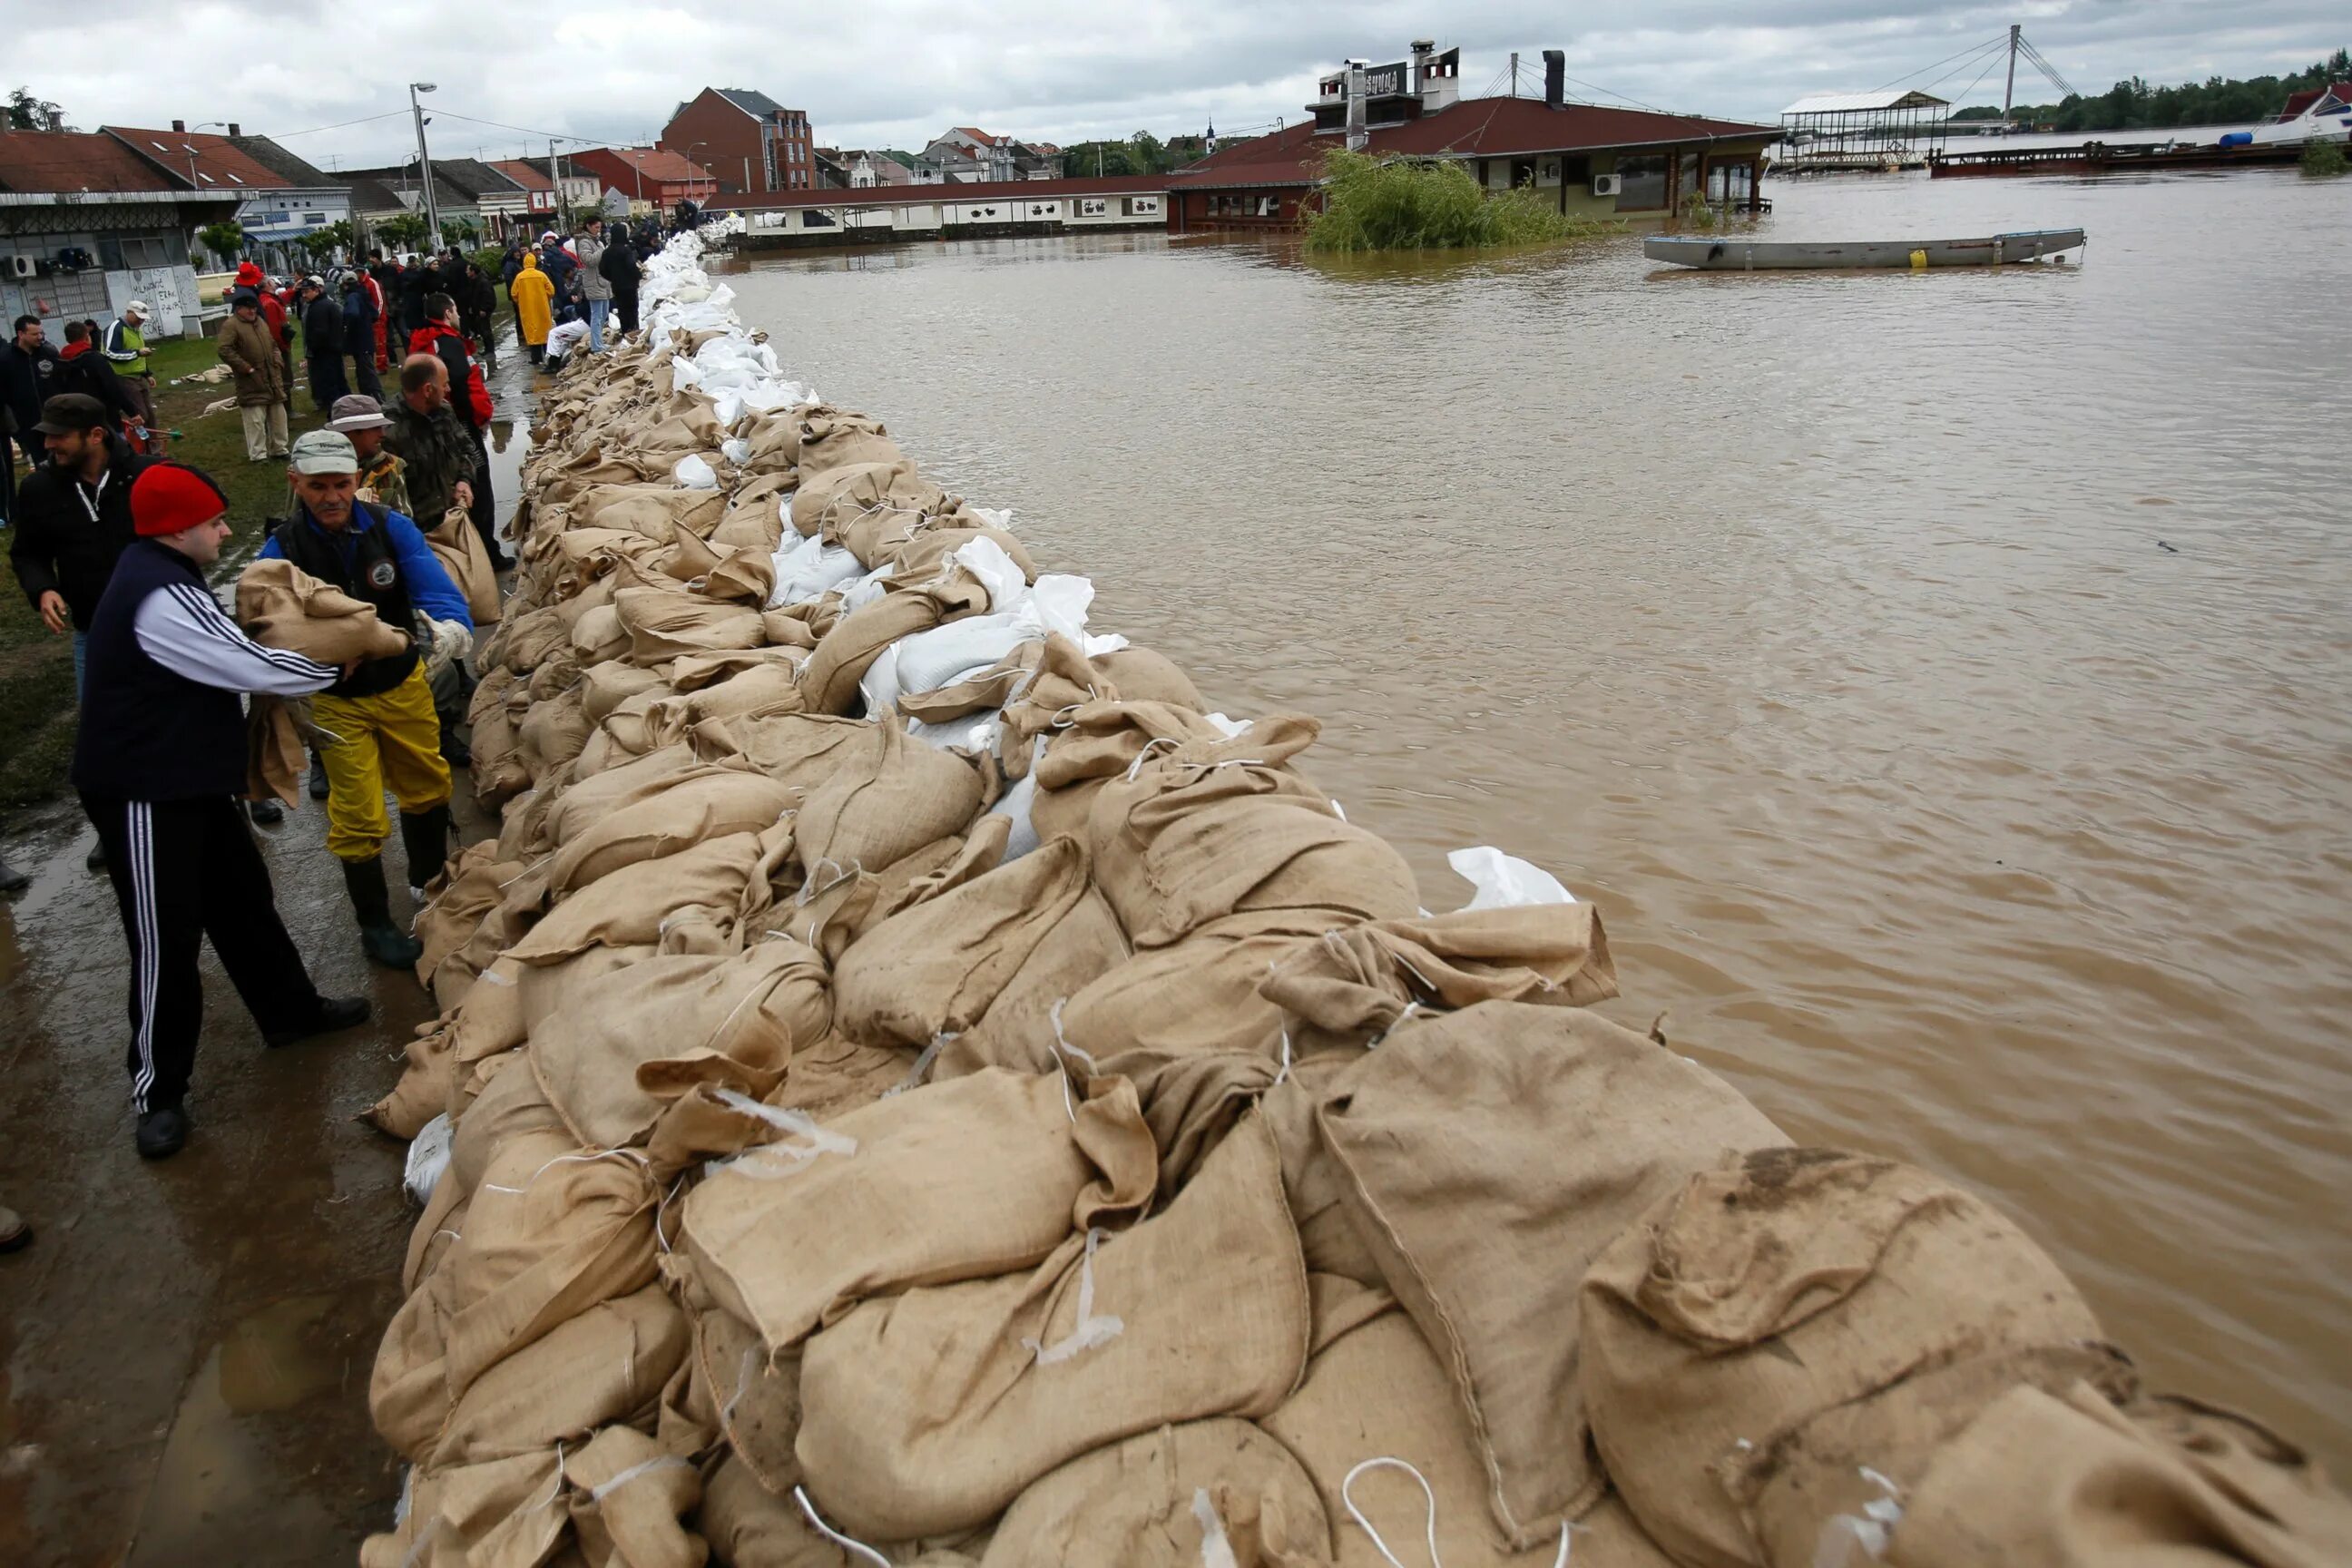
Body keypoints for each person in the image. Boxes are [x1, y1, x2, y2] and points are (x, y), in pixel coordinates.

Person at [74, 459, 372, 1157]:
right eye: (213, 522)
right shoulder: (156, 595)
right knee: (163, 938)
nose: (226, 531)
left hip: (191, 778)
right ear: (178, 528)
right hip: (142, 789)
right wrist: (336, 667)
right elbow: (246, 664)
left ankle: (290, 1012)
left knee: (243, 900)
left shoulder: (164, 573)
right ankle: (158, 1090)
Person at [257, 430, 470, 965]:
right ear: (295, 484)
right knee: (358, 812)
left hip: (401, 685)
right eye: (318, 486)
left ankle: (427, 881)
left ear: (357, 482)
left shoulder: (389, 530)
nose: (331, 497)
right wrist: (316, 654)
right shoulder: (281, 551)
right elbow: (265, 628)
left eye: (341, 484)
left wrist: (446, 630)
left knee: (426, 783)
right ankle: (374, 924)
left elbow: (436, 592)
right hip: (333, 701)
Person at [409, 294, 506, 569]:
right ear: (448, 312)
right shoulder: (449, 343)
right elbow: (461, 385)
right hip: (459, 424)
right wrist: (474, 418)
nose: (459, 316)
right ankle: (487, 552)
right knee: (478, 484)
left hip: (439, 423)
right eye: (456, 311)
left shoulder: (424, 340)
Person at [217, 291, 289, 462]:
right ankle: (258, 454)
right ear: (238, 309)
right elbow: (224, 350)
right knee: (255, 419)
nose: (252, 311)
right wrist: (246, 368)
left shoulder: (260, 322)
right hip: (250, 380)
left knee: (279, 416)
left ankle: (279, 449)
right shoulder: (231, 325)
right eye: (248, 308)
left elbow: (272, 343)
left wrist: (277, 359)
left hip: (272, 377)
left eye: (254, 308)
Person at [54, 321, 145, 436]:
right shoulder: (95, 359)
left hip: (77, 420)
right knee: (118, 450)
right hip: (105, 418)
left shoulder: (60, 363)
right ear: (87, 337)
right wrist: (132, 413)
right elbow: (113, 387)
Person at [1, 315, 63, 478]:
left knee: (63, 463)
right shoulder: (6, 359)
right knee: (43, 468)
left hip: (55, 422)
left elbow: (62, 382)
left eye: (41, 333)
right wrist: (16, 430)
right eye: (35, 334)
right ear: (21, 334)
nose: (40, 337)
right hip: (28, 426)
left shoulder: (48, 354)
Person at [101, 301, 162, 455]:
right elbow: (110, 353)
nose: (141, 321)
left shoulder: (136, 330)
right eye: (138, 317)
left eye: (143, 319)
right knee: (139, 415)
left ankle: (153, 449)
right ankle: (137, 449)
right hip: (124, 377)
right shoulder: (116, 328)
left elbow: (140, 354)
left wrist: (147, 374)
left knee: (150, 414)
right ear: (129, 313)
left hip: (139, 377)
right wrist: (137, 353)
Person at [299, 276, 348, 410]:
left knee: (330, 383)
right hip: (333, 350)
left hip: (325, 352)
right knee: (338, 380)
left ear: (316, 290)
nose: (304, 295)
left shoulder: (319, 307)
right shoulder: (325, 304)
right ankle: (342, 404)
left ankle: (336, 408)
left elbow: (320, 332)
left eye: (307, 291)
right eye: (302, 292)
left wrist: (313, 348)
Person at [339, 273, 383, 399]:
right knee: (364, 370)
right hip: (366, 336)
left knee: (367, 372)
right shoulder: (363, 293)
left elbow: (352, 314)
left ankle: (379, 398)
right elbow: (375, 314)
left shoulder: (352, 296)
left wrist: (348, 327)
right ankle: (368, 397)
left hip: (359, 340)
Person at [574, 215, 612, 353]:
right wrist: (602, 251)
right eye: (596, 227)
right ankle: (596, 345)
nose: (598, 230)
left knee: (603, 314)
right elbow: (589, 260)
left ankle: (599, 342)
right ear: (588, 226)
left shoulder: (597, 242)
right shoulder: (584, 243)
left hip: (603, 281)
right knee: (597, 315)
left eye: (600, 227)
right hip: (593, 282)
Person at [511, 251, 554, 367]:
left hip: (527, 308)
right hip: (542, 307)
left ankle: (536, 358)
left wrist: (520, 301)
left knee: (531, 332)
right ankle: (548, 355)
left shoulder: (519, 277)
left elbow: (514, 293)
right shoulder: (541, 275)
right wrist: (545, 298)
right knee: (544, 331)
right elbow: (551, 290)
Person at [603, 226, 643, 337]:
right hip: (630, 285)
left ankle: (625, 332)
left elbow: (602, 269)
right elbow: (631, 266)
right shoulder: (625, 250)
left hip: (617, 286)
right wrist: (638, 275)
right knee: (632, 309)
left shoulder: (607, 252)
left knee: (622, 310)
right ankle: (634, 332)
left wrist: (612, 278)